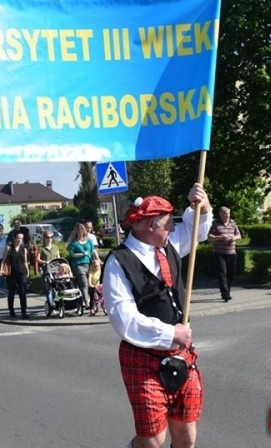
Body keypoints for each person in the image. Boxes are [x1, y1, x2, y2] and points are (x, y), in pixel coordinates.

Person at [103, 185, 212, 448]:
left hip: (181, 355)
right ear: (150, 226)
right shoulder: (118, 262)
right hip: (144, 356)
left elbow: (196, 229)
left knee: (186, 435)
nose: (173, 229)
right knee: (152, 440)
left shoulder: (167, 244)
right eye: (167, 224)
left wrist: (204, 205)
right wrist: (172, 333)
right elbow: (123, 318)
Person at [207, 206, 242, 302]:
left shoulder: (233, 223)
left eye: (228, 214)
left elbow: (239, 235)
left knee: (231, 274)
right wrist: (220, 237)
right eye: (225, 214)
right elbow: (209, 237)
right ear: (220, 214)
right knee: (222, 273)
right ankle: (225, 294)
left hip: (231, 252)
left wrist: (233, 238)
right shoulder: (215, 224)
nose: (227, 216)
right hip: (219, 253)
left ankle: (227, 291)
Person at [67, 223, 98, 310]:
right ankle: (87, 303)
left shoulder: (89, 241)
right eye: (78, 232)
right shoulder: (74, 243)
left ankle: (93, 300)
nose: (80, 233)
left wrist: (98, 259)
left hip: (89, 264)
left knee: (91, 282)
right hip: (78, 265)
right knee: (84, 283)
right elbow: (72, 254)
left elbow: (93, 251)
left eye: (81, 231)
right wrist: (82, 254)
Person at [2, 232, 29, 319]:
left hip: (21, 273)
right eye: (18, 238)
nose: (19, 240)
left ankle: (24, 312)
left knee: (22, 293)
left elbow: (25, 261)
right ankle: (11, 310)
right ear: (14, 238)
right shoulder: (9, 248)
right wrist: (1, 269)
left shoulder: (23, 249)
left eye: (21, 238)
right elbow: (4, 260)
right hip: (11, 273)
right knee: (11, 292)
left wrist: (27, 272)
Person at [36, 230, 60, 308]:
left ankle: (57, 302)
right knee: (48, 288)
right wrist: (45, 262)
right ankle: (50, 304)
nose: (49, 239)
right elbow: (37, 259)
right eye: (47, 237)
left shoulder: (55, 247)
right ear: (44, 238)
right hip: (46, 270)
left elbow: (58, 257)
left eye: (51, 237)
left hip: (55, 269)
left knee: (56, 287)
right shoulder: (42, 248)